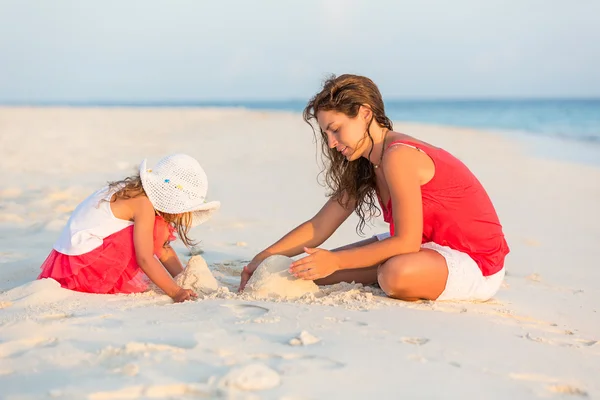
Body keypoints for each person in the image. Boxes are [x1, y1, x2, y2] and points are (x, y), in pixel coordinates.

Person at [239, 74, 509, 302]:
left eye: (336, 129)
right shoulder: (366, 161)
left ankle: (383, 269)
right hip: (426, 248)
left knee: (394, 274)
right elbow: (320, 226)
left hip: (475, 262)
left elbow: (406, 241)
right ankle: (376, 267)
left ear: (365, 113)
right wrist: (260, 259)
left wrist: (337, 261)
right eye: (326, 134)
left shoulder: (398, 156)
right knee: (309, 270)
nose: (332, 143)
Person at [38, 153, 220, 303]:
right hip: (84, 269)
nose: (180, 215)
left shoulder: (135, 193)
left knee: (156, 231)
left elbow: (163, 248)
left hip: (68, 263)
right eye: (180, 207)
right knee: (155, 232)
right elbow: (145, 258)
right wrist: (176, 292)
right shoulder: (142, 204)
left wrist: (182, 277)